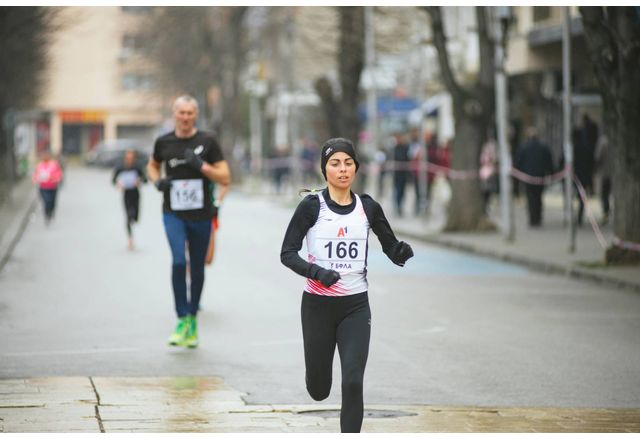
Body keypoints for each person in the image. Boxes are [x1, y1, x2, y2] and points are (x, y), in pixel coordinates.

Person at [280, 137, 414, 433]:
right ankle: (315, 378)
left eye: (348, 163)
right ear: (324, 170)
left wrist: (400, 252)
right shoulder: (311, 207)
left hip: (355, 306)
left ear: (356, 167)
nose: (342, 170)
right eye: (335, 164)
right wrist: (317, 272)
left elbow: (390, 246)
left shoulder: (368, 207)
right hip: (317, 307)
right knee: (319, 389)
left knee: (353, 380)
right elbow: (287, 254)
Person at [147, 94, 231, 348]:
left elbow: (225, 176)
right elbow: (152, 166)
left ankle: (192, 319)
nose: (185, 117)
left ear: (196, 115)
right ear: (174, 114)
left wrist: (202, 166)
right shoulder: (164, 141)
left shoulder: (207, 141)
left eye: (189, 113)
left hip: (201, 214)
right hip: (173, 212)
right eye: (181, 113)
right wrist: (157, 181)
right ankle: (181, 317)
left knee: (197, 267)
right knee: (178, 260)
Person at [515, 127, 553, 227]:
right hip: (540, 176)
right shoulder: (543, 147)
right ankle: (538, 217)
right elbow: (549, 162)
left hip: (527, 176)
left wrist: (517, 176)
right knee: (538, 197)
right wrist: (551, 174)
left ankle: (533, 218)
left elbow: (518, 162)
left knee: (530, 198)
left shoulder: (523, 147)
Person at [112, 149, 147, 250]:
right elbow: (113, 180)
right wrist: (118, 184)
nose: (129, 160)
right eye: (128, 158)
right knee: (128, 216)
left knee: (135, 217)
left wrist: (139, 181)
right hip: (126, 193)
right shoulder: (120, 167)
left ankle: (133, 219)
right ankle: (130, 238)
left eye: (131, 158)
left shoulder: (137, 167)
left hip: (135, 193)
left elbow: (145, 179)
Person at [32, 150, 64, 225]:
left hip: (52, 187)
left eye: (47, 155)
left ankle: (51, 212)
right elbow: (35, 175)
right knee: (46, 201)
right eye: (44, 156)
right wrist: (35, 179)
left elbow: (59, 174)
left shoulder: (54, 165)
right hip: (43, 187)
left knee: (52, 201)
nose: (45, 157)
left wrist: (54, 178)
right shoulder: (39, 165)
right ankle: (47, 214)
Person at [205, 181, 229, 265]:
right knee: (191, 257)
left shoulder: (211, 168)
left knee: (208, 259)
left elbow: (225, 182)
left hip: (209, 212)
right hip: (186, 214)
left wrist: (217, 203)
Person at [391, 132, 411, 217]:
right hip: (397, 175)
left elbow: (407, 159)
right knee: (398, 191)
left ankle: (400, 206)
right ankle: (398, 207)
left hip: (404, 174)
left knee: (402, 192)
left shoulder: (405, 148)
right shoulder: (395, 149)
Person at [594, 133, 611, 225]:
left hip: (604, 173)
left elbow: (597, 157)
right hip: (610, 172)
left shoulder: (602, 142)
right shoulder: (612, 141)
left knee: (604, 195)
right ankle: (606, 213)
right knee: (606, 195)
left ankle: (606, 214)